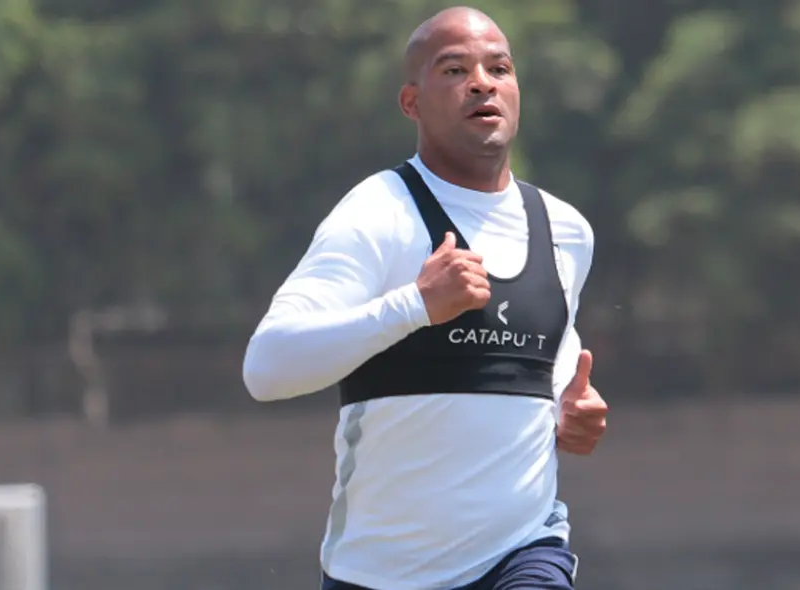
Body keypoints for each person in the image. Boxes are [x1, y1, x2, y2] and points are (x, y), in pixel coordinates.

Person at [242, 6, 608, 589]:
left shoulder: (568, 231)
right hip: (379, 573)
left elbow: (549, 371)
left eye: (500, 68)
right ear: (411, 103)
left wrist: (569, 412)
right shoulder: (377, 213)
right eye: (454, 69)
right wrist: (415, 305)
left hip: (520, 554)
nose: (482, 82)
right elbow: (266, 367)